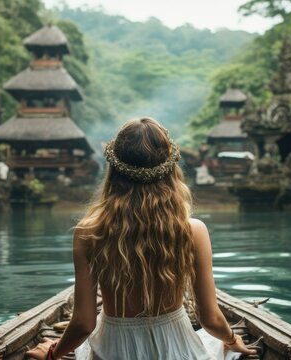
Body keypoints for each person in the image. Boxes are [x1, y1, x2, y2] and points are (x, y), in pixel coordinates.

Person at [27, 118, 258, 360]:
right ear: (170, 170)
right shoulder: (193, 230)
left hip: (113, 350)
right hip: (176, 350)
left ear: (114, 171)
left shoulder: (89, 232)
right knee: (217, 344)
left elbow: (84, 324)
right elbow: (210, 319)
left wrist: (52, 353)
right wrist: (232, 339)